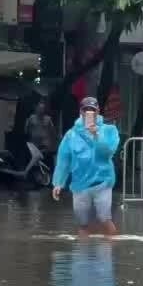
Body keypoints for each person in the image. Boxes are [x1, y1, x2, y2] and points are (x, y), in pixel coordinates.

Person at [53, 97, 120, 238]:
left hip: (102, 182)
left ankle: (110, 248)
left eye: (92, 110)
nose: (89, 113)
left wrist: (96, 136)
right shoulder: (71, 135)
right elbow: (64, 159)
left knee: (104, 219)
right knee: (82, 223)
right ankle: (83, 250)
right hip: (79, 184)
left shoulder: (109, 130)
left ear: (98, 111)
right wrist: (58, 183)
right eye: (86, 110)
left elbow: (108, 152)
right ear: (81, 112)